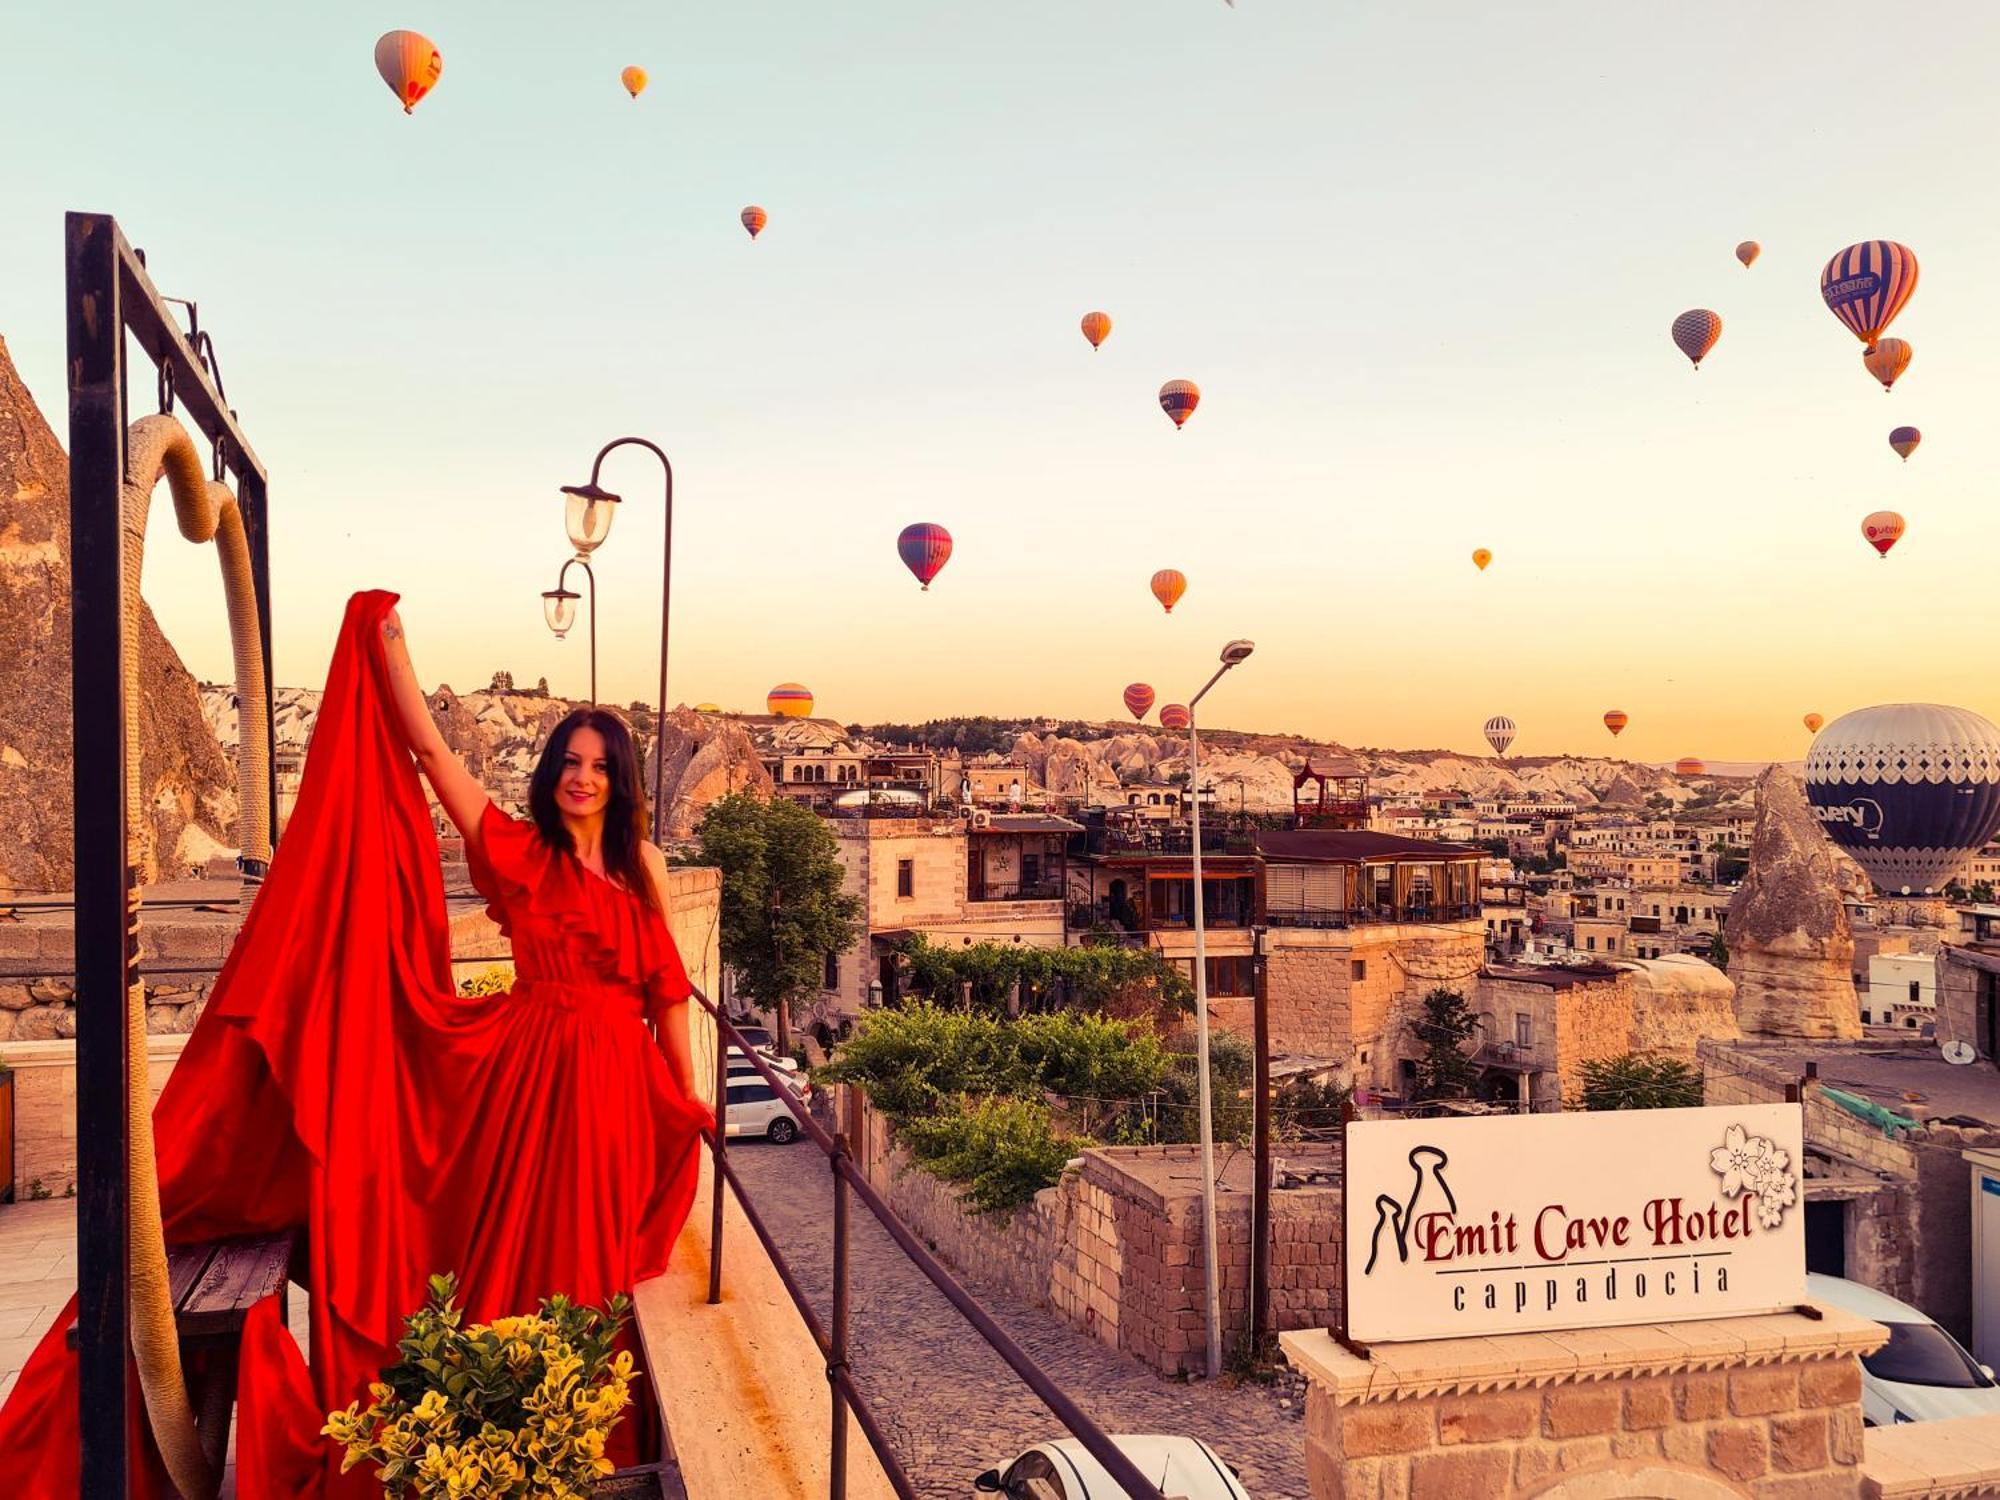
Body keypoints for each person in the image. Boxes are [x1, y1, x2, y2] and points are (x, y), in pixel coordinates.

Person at [0, 591, 710, 1496]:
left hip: (614, 1092)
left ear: (621, 782)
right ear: (551, 772)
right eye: (569, 762)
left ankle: (587, 1447)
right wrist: (392, 643)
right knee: (526, 1267)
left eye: (599, 766)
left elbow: (669, 995)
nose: (581, 778)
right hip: (528, 1084)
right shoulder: (518, 853)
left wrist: (686, 1099)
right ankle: (506, 1448)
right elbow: (431, 754)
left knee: (596, 1272)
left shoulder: (642, 865)